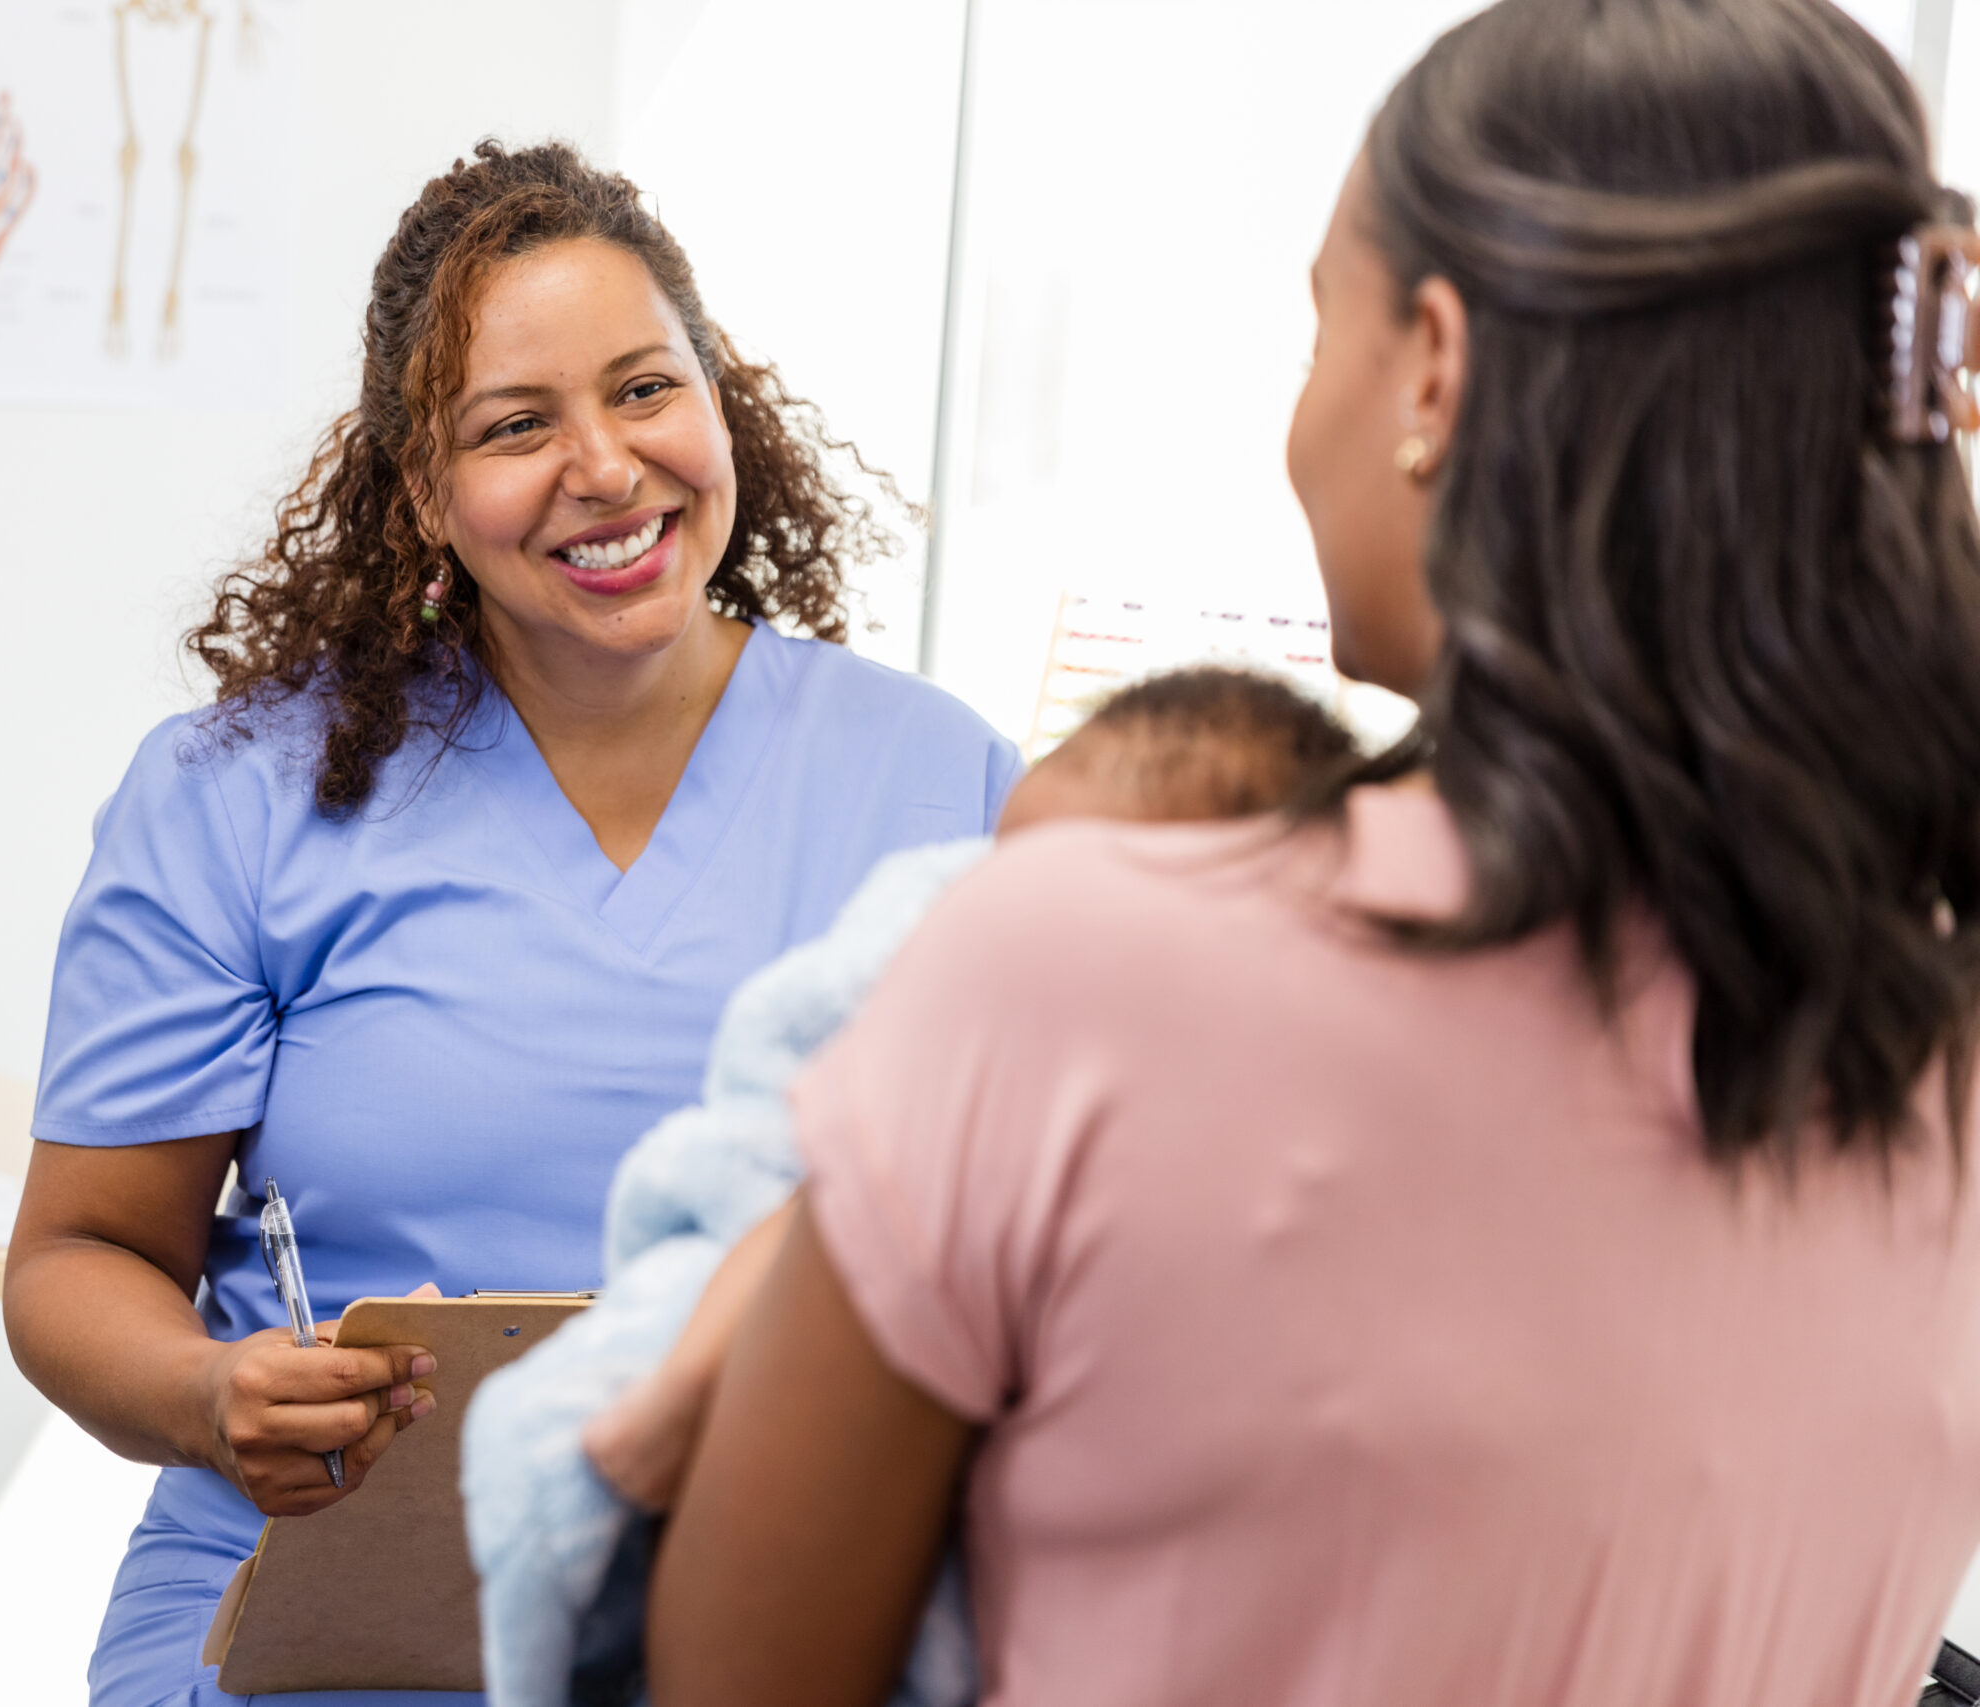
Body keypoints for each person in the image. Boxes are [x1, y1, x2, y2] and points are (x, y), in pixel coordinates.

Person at [647, 3, 1980, 1705]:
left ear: (1432, 362)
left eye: (1314, 330)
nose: (1297, 418)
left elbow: (726, 1670)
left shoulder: (1081, 968)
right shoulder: (1934, 1041)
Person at [3, 140, 1019, 1707]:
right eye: (516, 426)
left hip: (777, 1594)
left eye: (645, 389)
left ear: (719, 401)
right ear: (424, 489)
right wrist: (216, 1396)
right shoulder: (240, 797)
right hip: (329, 1602)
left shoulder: (940, 774)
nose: (604, 466)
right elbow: (78, 1256)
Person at [463, 668, 1358, 1707]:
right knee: (817, 1209)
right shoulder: (946, 969)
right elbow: (808, 1112)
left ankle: (660, 1408)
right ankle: (661, 1400)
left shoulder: (1223, 1058)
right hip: (831, 1213)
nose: (987, 905)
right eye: (995, 876)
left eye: (1038, 892)